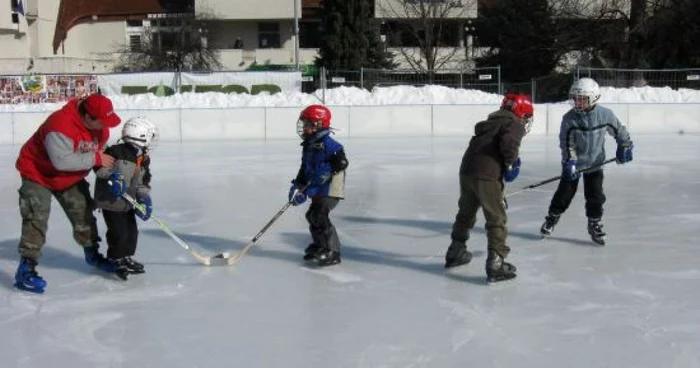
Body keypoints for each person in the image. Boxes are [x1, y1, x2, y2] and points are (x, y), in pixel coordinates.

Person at [14, 93, 122, 293]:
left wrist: (109, 175)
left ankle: (92, 254)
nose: (106, 126)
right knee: (36, 216)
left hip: (69, 178)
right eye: (103, 121)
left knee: (83, 211)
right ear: (88, 117)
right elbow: (62, 162)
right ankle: (26, 268)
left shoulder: (101, 130)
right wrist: (96, 160)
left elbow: (100, 157)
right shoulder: (59, 125)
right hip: (37, 172)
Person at [445, 93, 533, 282]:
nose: (525, 121)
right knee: (496, 218)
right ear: (521, 113)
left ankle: (456, 250)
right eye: (526, 116)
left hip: (467, 172)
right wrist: (511, 164)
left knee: (466, 213)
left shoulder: (489, 124)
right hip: (487, 175)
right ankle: (496, 263)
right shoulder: (514, 124)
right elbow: (509, 143)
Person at [539, 77, 633, 245]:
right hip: (574, 164)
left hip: (596, 163)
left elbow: (619, 130)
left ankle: (594, 223)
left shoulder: (605, 115)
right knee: (564, 194)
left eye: (582, 98)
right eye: (575, 98)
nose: (578, 102)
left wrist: (625, 145)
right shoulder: (569, 118)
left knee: (595, 196)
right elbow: (567, 143)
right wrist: (570, 162)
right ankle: (552, 218)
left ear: (594, 98)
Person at [94, 117, 159, 280]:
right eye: (149, 136)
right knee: (119, 232)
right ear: (140, 136)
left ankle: (126, 257)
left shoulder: (143, 157)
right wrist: (112, 177)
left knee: (131, 232)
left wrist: (143, 197)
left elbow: (144, 179)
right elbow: (99, 168)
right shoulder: (116, 151)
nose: (151, 141)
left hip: (128, 201)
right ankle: (115, 259)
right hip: (111, 201)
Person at [288, 104, 349, 267]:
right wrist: (298, 186)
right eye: (304, 124)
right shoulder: (308, 146)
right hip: (317, 188)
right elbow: (304, 169)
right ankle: (320, 245)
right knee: (312, 216)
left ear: (319, 124)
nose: (304, 129)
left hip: (330, 188)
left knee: (320, 216)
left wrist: (326, 170)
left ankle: (333, 251)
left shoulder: (330, 144)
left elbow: (342, 162)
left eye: (308, 125)